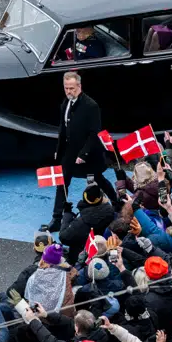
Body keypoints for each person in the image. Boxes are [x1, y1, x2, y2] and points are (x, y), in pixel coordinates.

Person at [49, 71, 117, 230]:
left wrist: (84, 154)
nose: (68, 91)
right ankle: (57, 218)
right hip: (69, 152)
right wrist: (58, 150)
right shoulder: (65, 103)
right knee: (62, 182)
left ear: (79, 86)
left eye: (72, 88)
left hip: (88, 154)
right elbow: (63, 129)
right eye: (66, 88)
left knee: (98, 179)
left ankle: (116, 202)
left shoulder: (91, 106)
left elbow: (95, 133)